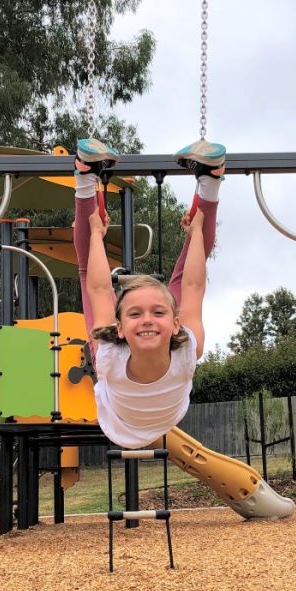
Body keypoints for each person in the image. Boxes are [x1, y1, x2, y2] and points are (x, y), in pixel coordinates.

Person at [72, 137, 225, 449]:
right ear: (177, 323)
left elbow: (100, 287)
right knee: (186, 273)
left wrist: (98, 236)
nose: (147, 320)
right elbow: (195, 284)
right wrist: (196, 232)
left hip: (119, 418)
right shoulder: (186, 353)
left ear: (119, 330)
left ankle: (85, 175)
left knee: (89, 273)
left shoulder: (109, 358)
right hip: (157, 414)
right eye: (144, 312)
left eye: (154, 312)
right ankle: (211, 179)